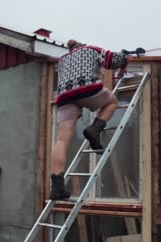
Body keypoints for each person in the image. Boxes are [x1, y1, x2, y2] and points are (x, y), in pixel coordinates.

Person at [49, 40, 129, 200]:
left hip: (65, 97)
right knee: (112, 101)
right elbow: (115, 58)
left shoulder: (63, 59)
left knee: (61, 141)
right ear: (81, 46)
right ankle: (95, 128)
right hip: (87, 89)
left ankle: (57, 188)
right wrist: (124, 66)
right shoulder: (90, 50)